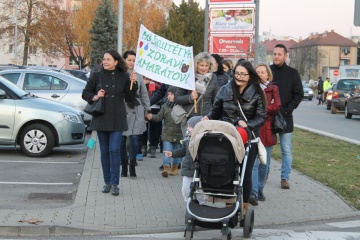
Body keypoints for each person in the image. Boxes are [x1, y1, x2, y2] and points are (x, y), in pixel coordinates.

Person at [202, 60, 267, 214]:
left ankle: (244, 207)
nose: (239, 77)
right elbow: (215, 111)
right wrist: (208, 117)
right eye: (237, 73)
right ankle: (229, 205)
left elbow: (261, 117)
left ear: (250, 75)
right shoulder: (224, 90)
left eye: (243, 74)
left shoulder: (258, 93)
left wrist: (248, 124)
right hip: (227, 138)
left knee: (245, 173)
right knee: (228, 170)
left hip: (248, 139)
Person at [82, 49, 138, 196]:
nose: (105, 62)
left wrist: (133, 83)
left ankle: (115, 184)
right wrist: (95, 96)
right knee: (105, 151)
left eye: (108, 59)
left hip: (118, 118)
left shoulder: (124, 76)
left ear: (116, 62)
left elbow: (130, 97)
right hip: (101, 118)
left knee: (115, 150)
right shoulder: (96, 76)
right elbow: (85, 93)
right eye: (104, 59)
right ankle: (107, 182)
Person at [270, 44, 304, 189]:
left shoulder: (293, 73)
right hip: (268, 116)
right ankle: (263, 175)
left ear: (285, 56)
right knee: (266, 149)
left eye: (279, 54)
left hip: (285, 117)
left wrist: (287, 110)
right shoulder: (267, 71)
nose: (276, 56)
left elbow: (298, 94)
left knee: (286, 149)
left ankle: (285, 178)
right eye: (274, 54)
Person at [249, 64, 281, 206]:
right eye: (258, 72)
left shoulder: (273, 88)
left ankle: (261, 188)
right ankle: (254, 192)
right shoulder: (251, 88)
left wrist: (261, 109)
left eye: (263, 72)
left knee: (264, 163)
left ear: (268, 75)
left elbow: (276, 106)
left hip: (267, 130)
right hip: (253, 129)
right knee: (254, 163)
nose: (261, 74)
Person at [120, 50, 152, 178]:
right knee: (121, 140)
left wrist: (148, 110)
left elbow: (144, 94)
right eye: (129, 60)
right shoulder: (120, 74)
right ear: (124, 60)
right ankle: (123, 165)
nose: (132, 63)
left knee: (134, 139)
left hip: (136, 109)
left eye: (134, 60)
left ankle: (132, 165)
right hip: (122, 108)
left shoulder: (138, 75)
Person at [174, 52, 219, 136]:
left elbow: (216, 100)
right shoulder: (188, 77)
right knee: (189, 146)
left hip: (206, 119)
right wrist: (190, 97)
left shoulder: (213, 78)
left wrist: (212, 115)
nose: (204, 68)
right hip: (190, 119)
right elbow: (176, 98)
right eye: (201, 65)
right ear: (196, 65)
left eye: (206, 65)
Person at [164, 116, 206, 204]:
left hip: (200, 171)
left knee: (200, 192)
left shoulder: (204, 140)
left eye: (190, 126)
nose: (187, 128)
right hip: (187, 168)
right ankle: (189, 203)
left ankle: (202, 205)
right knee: (185, 190)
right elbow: (183, 151)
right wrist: (172, 153)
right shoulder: (187, 139)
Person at [148, 86, 183, 177]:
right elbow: (159, 117)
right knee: (166, 150)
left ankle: (175, 167)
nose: (169, 96)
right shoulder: (165, 106)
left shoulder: (182, 106)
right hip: (167, 133)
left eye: (172, 94)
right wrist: (152, 117)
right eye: (168, 94)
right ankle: (166, 167)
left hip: (178, 133)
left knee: (176, 151)